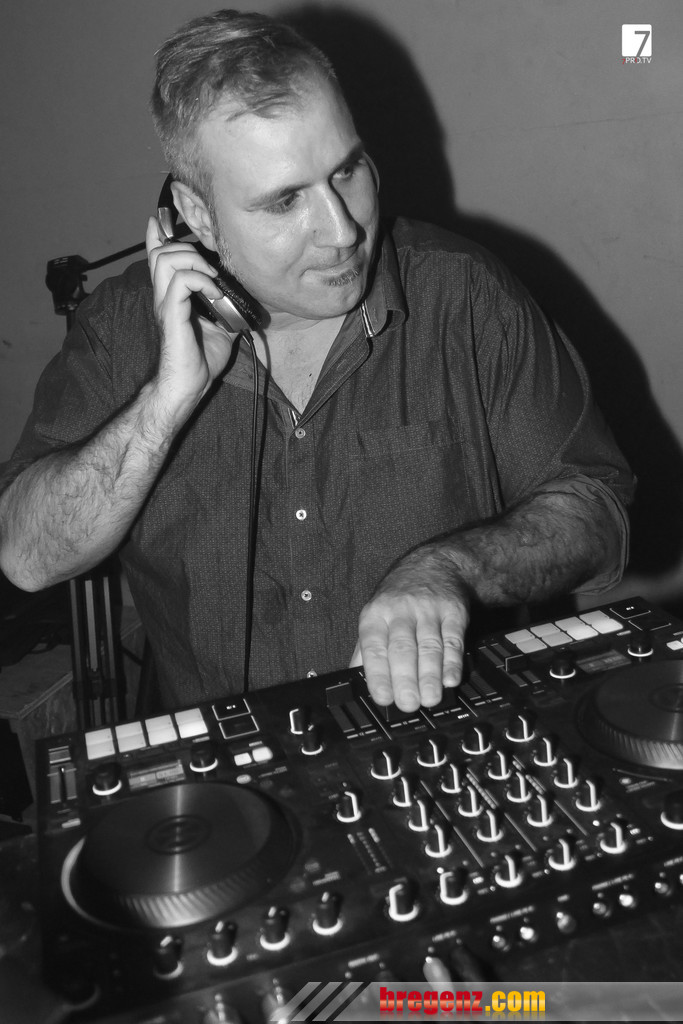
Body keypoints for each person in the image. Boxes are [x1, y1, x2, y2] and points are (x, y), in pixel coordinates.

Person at [0, 9, 634, 714]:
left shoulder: (466, 296)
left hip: (436, 745)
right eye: (283, 202)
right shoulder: (119, 328)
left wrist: (451, 567)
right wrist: (164, 402)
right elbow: (28, 557)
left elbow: (597, 513)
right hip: (226, 771)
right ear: (197, 215)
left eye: (347, 171)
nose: (342, 230)